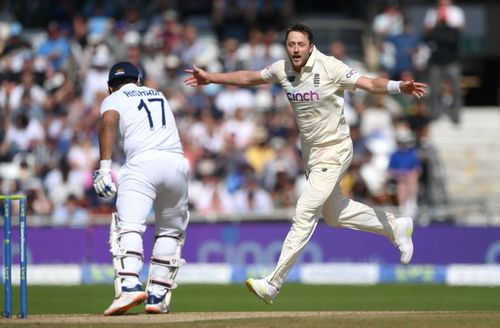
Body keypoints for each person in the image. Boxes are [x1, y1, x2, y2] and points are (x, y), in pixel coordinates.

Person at [184, 22, 427, 305]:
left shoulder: (330, 67)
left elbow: (369, 83)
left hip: (335, 149)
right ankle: (394, 226)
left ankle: (273, 283)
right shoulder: (281, 69)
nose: (295, 49)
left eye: (300, 44)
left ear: (310, 46)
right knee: (334, 215)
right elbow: (250, 77)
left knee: (305, 210)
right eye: (291, 44)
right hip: (311, 154)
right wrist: (211, 78)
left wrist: (399, 86)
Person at [93, 61, 190, 315]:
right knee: (170, 231)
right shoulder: (158, 94)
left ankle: (129, 286)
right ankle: (157, 295)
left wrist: (104, 167)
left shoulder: (113, 99)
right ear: (139, 80)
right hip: (176, 164)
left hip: (142, 164)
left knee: (129, 225)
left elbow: (108, 121)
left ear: (109, 87)